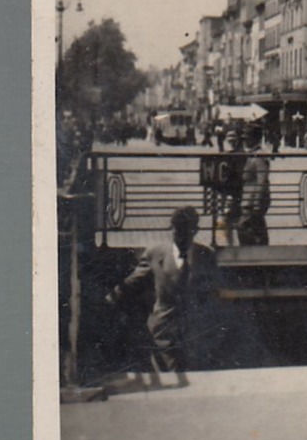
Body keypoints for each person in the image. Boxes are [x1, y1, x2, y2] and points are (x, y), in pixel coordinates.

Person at [104, 205, 220, 374]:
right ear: (171, 228)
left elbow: (212, 291)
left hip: (196, 332)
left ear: (195, 230)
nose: (180, 236)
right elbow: (134, 281)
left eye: (185, 231)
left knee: (196, 383)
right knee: (170, 380)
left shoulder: (206, 255)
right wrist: (111, 297)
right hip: (163, 331)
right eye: (177, 230)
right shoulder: (155, 253)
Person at [236, 131, 271, 246]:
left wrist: (257, 202)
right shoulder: (251, 154)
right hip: (249, 198)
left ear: (255, 139)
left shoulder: (259, 156)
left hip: (253, 199)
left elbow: (262, 180)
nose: (245, 141)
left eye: (248, 138)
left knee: (243, 226)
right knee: (257, 228)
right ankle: (259, 252)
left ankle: (251, 253)